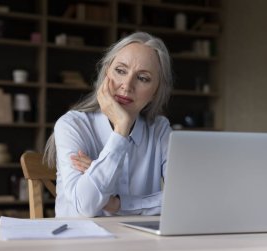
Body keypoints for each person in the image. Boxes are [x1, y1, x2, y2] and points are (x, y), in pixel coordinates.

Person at [44, 31, 173, 217]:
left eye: (143, 78)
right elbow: (85, 205)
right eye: (120, 71)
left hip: (138, 243)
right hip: (78, 243)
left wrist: (118, 204)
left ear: (156, 91)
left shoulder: (159, 129)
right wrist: (121, 129)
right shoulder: (71, 125)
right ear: (106, 74)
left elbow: (183, 199)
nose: (127, 85)